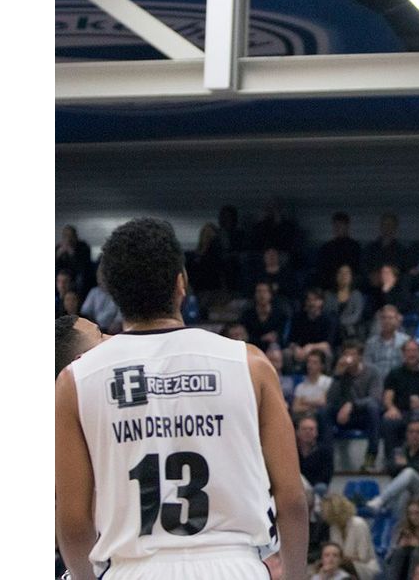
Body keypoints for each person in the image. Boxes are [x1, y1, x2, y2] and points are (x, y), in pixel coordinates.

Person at [55, 217, 307, 580]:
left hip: (133, 568)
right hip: (234, 565)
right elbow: (292, 501)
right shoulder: (250, 363)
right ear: (181, 282)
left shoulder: (74, 380)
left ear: (111, 293)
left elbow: (74, 521)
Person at [323, 341, 382, 471]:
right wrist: (337, 376)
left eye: (352, 354)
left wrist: (352, 405)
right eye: (346, 354)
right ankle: (327, 457)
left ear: (360, 357)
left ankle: (371, 456)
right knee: (325, 411)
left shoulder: (372, 372)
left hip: (363, 416)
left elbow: (375, 398)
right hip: (343, 417)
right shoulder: (340, 372)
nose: (348, 358)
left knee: (373, 407)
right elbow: (330, 399)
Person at [367, 419, 419, 515]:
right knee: (404, 493)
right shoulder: (399, 451)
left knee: (409, 472)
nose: (415, 435)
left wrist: (406, 465)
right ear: (407, 434)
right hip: (402, 492)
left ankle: (380, 500)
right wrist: (418, 467)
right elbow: (391, 470)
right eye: (411, 432)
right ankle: (397, 523)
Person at [316, 494, 381, 580]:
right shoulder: (334, 527)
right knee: (320, 566)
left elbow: (363, 557)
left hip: (363, 567)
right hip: (340, 565)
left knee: (339, 566)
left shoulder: (359, 524)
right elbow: (335, 551)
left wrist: (338, 559)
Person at [384, 497, 419, 580]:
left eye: (417, 513)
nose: (413, 517)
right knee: (399, 552)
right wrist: (399, 546)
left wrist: (418, 546)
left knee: (415, 554)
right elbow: (388, 558)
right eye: (410, 514)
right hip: (403, 567)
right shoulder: (402, 529)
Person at [288, 287, 339, 366]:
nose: (311, 303)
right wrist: (296, 349)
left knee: (328, 355)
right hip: (302, 349)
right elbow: (291, 341)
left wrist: (311, 347)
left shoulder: (329, 319)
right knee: (286, 353)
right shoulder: (298, 317)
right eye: (309, 300)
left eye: (315, 300)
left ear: (321, 302)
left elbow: (327, 344)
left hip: (320, 349)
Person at [363, 304, 410, 381]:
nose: (387, 321)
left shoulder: (406, 341)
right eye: (383, 318)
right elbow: (367, 368)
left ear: (397, 320)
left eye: (390, 318)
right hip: (377, 382)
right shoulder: (371, 343)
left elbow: (408, 366)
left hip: (399, 382)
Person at [318, 212, 363, 291]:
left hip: (349, 286)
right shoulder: (326, 247)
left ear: (347, 227)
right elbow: (322, 270)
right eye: (336, 225)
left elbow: (356, 268)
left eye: (341, 225)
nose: (338, 228)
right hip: (330, 286)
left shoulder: (355, 247)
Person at [241, 281, 291, 350]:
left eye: (265, 291)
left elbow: (282, 335)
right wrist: (262, 338)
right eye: (259, 291)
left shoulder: (280, 314)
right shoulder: (247, 314)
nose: (262, 295)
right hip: (252, 347)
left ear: (271, 294)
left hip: (274, 347)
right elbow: (245, 336)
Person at [326, 264, 366, 342]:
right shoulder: (328, 295)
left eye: (347, 273)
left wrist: (338, 322)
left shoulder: (357, 295)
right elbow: (327, 313)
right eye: (340, 273)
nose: (344, 276)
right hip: (331, 331)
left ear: (351, 277)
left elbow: (356, 316)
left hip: (351, 332)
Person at [292, 350, 334, 419]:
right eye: (309, 362)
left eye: (314, 362)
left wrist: (305, 401)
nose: (310, 365)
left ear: (322, 366)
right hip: (304, 418)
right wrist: (314, 406)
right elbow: (295, 408)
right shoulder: (300, 386)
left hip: (321, 418)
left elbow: (323, 402)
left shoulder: (328, 382)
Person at [296, 415, 334, 489]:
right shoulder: (292, 452)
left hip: (316, 488)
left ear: (316, 432)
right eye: (304, 429)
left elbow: (326, 476)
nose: (307, 432)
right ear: (297, 432)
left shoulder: (324, 452)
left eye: (311, 429)